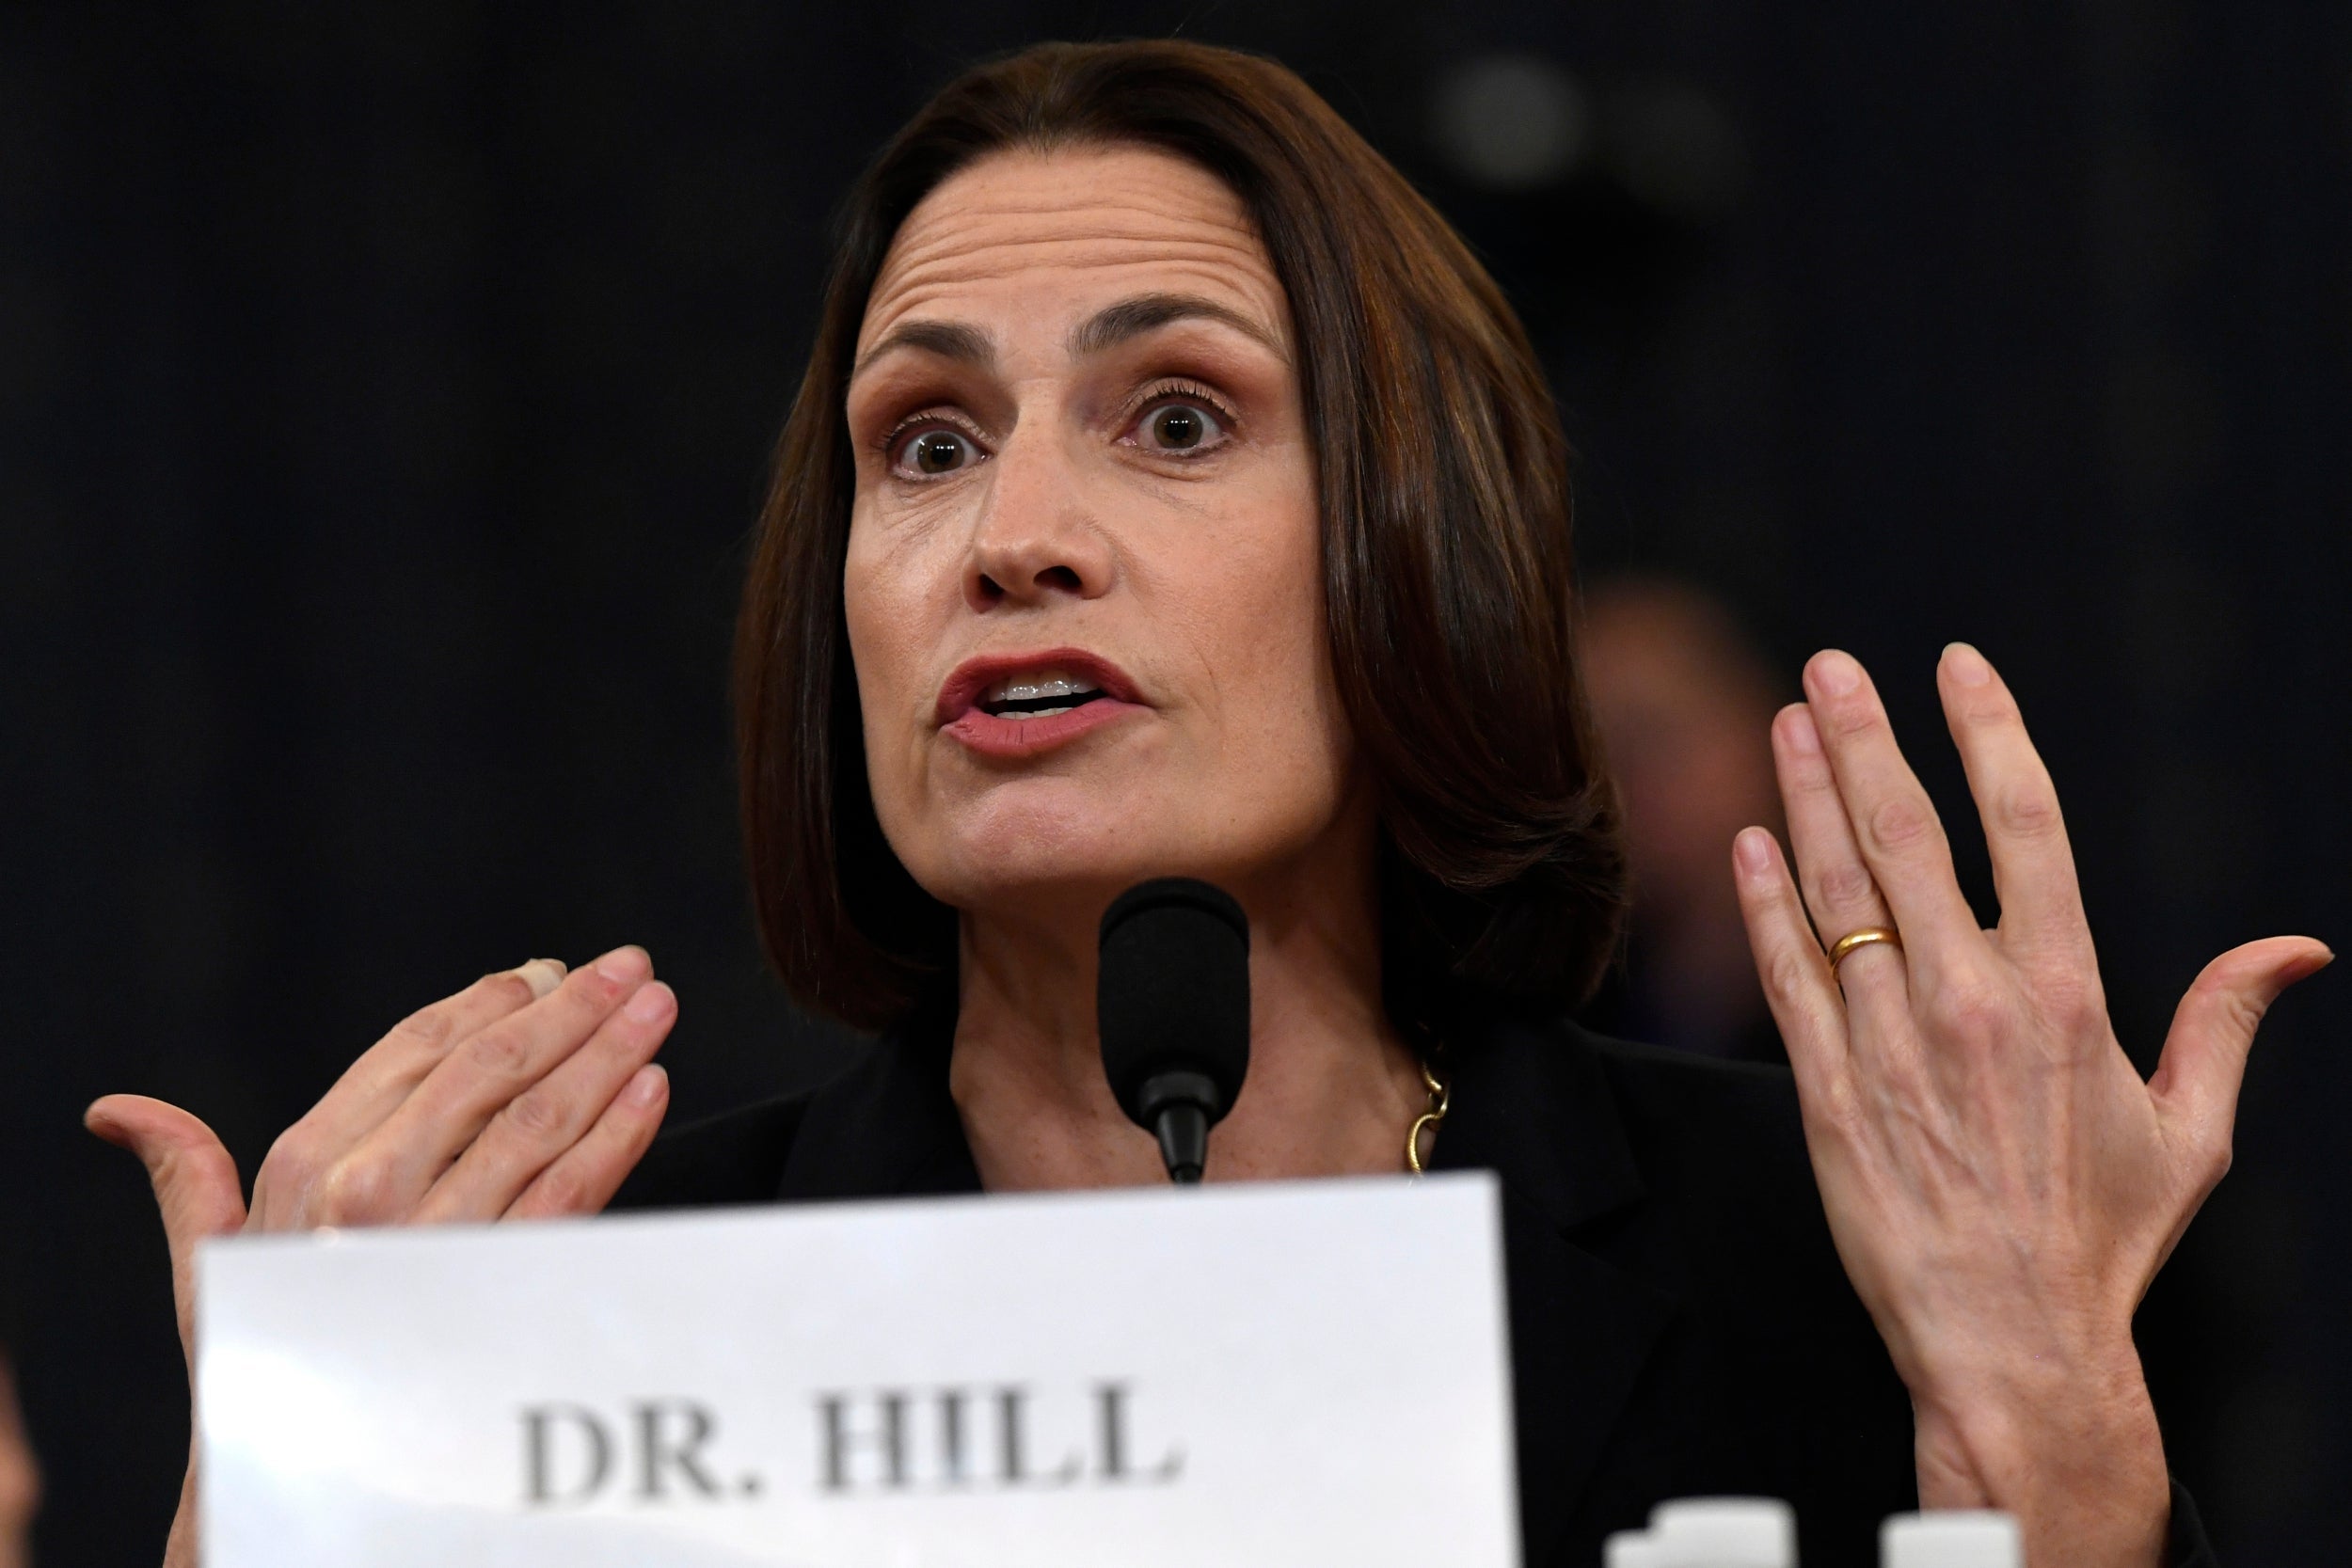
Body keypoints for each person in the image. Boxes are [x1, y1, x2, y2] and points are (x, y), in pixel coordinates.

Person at [87, 40, 2328, 1568]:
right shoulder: (594, 1329)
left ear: (1407, 558)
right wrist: (293, 1520)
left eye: (1172, 421)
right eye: (925, 445)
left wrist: (2039, 1438)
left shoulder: (1820, 1266)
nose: (1012, 536)